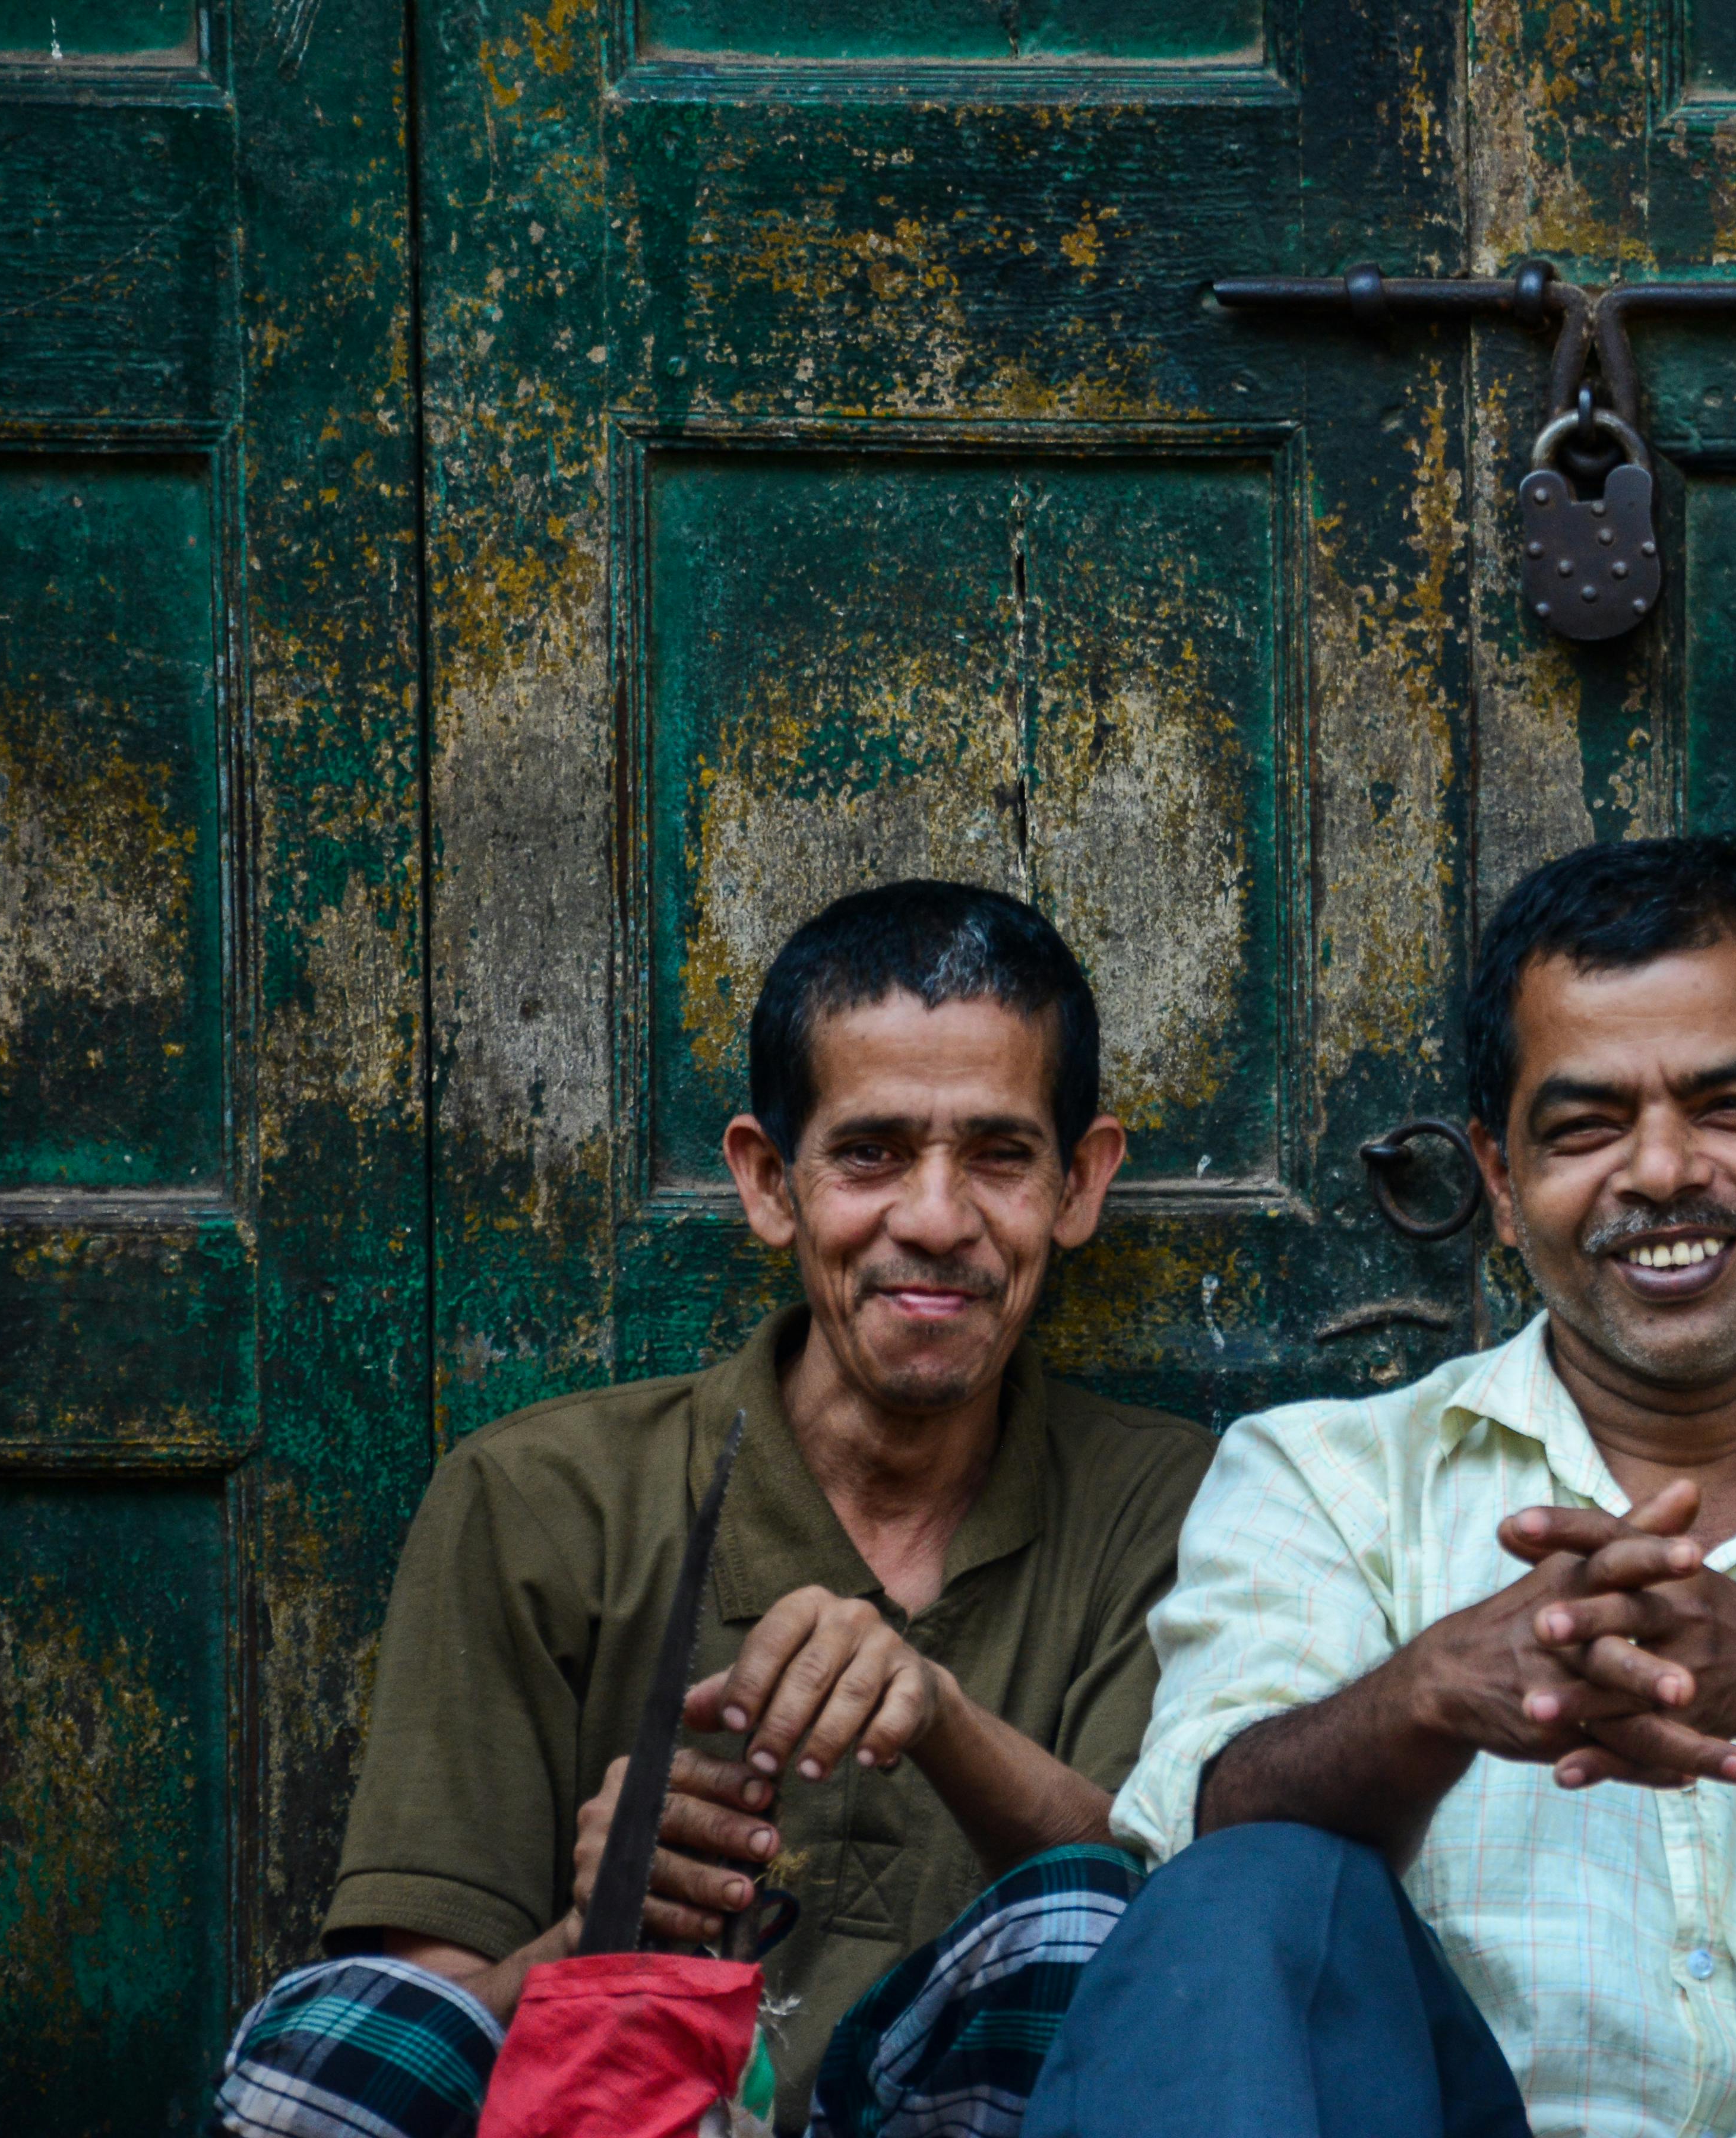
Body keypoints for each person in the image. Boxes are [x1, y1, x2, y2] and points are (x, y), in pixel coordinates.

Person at [824, 836, 1736, 2138]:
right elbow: (1192, 1836)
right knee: (1250, 1889)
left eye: (1733, 1104)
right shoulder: (1326, 1477)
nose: (1662, 1170)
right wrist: (1436, 1694)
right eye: (1584, 1128)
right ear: (1501, 1180)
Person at [217, 881, 1216, 2136]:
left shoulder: (1170, 1502)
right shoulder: (536, 1497)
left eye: (1001, 1156)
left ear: (1079, 1183)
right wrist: (597, 1929)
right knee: (331, 2041)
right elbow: (427, 2032)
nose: (936, 1217)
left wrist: (942, 1716)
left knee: (1089, 1921)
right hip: (614, 2109)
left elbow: (1165, 1938)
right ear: (766, 1181)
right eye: (870, 1153)